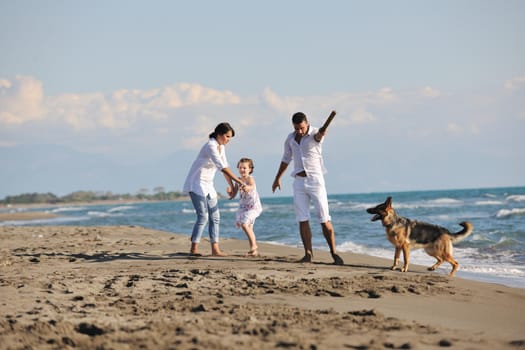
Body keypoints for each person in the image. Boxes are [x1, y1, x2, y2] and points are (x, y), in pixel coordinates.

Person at [271, 112, 344, 265]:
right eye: (296, 128)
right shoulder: (290, 139)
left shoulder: (315, 134)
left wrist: (322, 132)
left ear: (307, 123)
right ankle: (308, 254)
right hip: (298, 181)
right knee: (302, 219)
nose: (299, 131)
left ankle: (334, 253)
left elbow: (319, 136)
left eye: (302, 128)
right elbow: (286, 159)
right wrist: (277, 178)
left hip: (315, 181)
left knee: (324, 219)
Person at [183, 122, 245, 257]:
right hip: (196, 183)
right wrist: (239, 181)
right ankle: (193, 248)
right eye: (227, 137)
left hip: (208, 184)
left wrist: (232, 187)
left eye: (230, 138)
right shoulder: (210, 146)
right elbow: (222, 167)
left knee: (215, 216)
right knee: (203, 216)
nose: (228, 140)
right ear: (219, 134)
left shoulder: (221, 147)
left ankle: (215, 249)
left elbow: (224, 167)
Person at [233, 157, 263, 256]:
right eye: (240, 168)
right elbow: (233, 193)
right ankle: (253, 250)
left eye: (244, 168)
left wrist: (247, 187)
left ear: (250, 169)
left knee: (244, 224)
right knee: (249, 227)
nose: (242, 170)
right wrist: (230, 192)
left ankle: (254, 246)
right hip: (243, 207)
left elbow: (252, 186)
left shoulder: (250, 178)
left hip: (253, 207)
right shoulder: (238, 180)